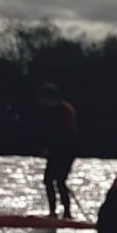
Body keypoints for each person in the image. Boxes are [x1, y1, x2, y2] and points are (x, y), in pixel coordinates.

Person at [37, 83, 77, 219]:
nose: (42, 103)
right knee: (49, 181)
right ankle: (53, 212)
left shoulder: (63, 111)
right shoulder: (52, 111)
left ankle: (66, 212)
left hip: (65, 152)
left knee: (58, 180)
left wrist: (51, 148)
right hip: (56, 151)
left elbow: (65, 134)